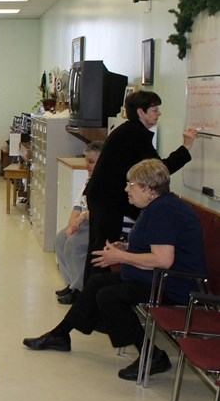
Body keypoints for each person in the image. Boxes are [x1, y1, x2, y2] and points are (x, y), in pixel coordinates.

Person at [23, 159, 206, 381]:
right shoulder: (158, 205)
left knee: (110, 297)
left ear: (149, 189)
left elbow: (164, 260)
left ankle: (152, 356)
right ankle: (60, 335)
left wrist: (120, 256)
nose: (126, 188)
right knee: (97, 283)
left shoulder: (163, 211)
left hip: (175, 284)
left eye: (131, 184)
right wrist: (127, 247)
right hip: (157, 278)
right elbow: (159, 245)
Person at [81, 90, 198, 287]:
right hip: (107, 199)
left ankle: (88, 294)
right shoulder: (134, 133)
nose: (158, 113)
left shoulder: (131, 130)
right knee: (104, 249)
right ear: (141, 112)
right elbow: (160, 170)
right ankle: (92, 297)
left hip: (104, 196)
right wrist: (185, 148)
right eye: (154, 109)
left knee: (100, 246)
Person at [54, 141, 102, 304]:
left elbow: (100, 211)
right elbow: (77, 205)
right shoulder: (88, 180)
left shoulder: (105, 182)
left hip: (96, 224)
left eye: (91, 162)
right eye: (86, 160)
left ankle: (80, 290)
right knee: (61, 239)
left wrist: (79, 220)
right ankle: (71, 284)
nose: (87, 165)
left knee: (74, 245)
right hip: (83, 221)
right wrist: (71, 225)